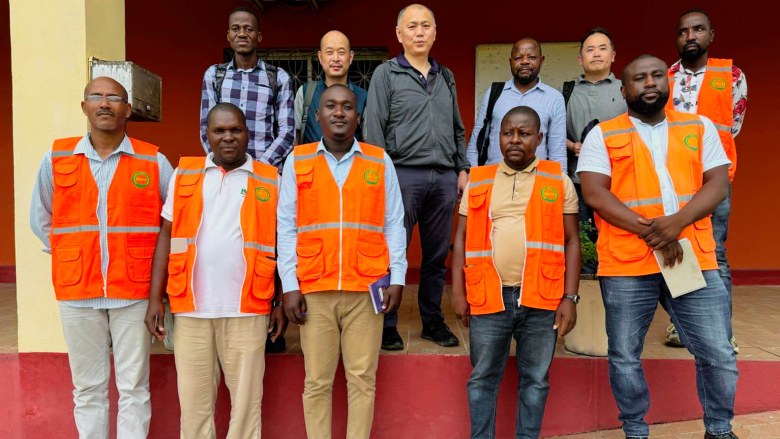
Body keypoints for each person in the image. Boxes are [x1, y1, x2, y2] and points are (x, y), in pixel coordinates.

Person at [577, 55, 738, 439]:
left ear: (666, 84)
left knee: (718, 352)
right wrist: (654, 232)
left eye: (655, 75)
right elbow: (595, 193)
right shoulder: (603, 134)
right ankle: (635, 430)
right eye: (638, 78)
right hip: (629, 262)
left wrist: (677, 225)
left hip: (689, 257)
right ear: (624, 89)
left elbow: (717, 183)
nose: (649, 82)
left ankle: (718, 429)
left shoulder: (699, 127)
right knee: (625, 356)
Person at [30, 76, 173, 438]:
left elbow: (173, 222)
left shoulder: (153, 161)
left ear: (129, 109)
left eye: (114, 98)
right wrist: (74, 254)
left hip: (133, 291)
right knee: (89, 388)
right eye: (96, 96)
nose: (105, 104)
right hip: (78, 294)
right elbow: (42, 219)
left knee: (133, 387)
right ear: (84, 107)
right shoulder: (57, 157)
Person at [145, 103, 286, 438]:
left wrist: (278, 302)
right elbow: (166, 234)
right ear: (206, 134)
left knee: (247, 407)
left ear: (247, 134)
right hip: (191, 309)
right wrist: (155, 300)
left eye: (235, 130)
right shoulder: (185, 174)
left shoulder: (270, 179)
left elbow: (280, 243)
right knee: (194, 408)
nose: (227, 138)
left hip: (248, 309)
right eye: (219, 131)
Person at [279, 84, 407, 439]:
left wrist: (397, 276)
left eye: (347, 107)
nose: (339, 113)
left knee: (362, 379)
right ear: (316, 116)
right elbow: (286, 227)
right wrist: (289, 285)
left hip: (366, 289)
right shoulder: (298, 159)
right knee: (317, 381)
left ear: (358, 116)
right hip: (315, 288)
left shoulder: (378, 160)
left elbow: (394, 223)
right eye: (331, 106)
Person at [452, 106, 580, 439]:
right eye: (508, 132)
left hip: (541, 298)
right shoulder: (479, 179)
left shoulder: (557, 179)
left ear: (538, 138)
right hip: (488, 297)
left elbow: (571, 241)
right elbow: (461, 239)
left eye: (524, 133)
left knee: (535, 381)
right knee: (482, 379)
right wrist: (457, 291)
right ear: (499, 136)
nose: (515, 139)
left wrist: (569, 297)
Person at [364, 3, 468, 350]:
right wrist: (382, 176)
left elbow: (457, 126)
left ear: (435, 32)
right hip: (400, 175)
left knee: (436, 256)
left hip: (443, 177)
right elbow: (373, 128)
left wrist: (463, 168)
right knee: (392, 252)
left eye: (426, 26)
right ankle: (385, 323)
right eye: (412, 27)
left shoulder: (446, 76)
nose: (419, 32)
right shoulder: (385, 74)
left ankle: (432, 321)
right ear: (399, 34)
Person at [665, 8, 747, 349]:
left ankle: (721, 334)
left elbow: (735, 126)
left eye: (698, 29)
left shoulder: (731, 75)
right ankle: (681, 328)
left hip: (714, 180)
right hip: (673, 179)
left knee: (715, 253)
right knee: (679, 250)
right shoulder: (666, 75)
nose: (690, 36)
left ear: (711, 35)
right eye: (683, 31)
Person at [199, 6, 294, 170]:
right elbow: (206, 129)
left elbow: (287, 132)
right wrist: (224, 165)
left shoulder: (278, 77)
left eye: (248, 29)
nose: (242, 34)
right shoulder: (214, 75)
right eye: (236, 29)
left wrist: (259, 168)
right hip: (224, 172)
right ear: (228, 35)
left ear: (259, 36)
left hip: (265, 174)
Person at [560, 28, 626, 256]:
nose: (596, 54)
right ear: (580, 59)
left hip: (620, 183)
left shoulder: (625, 89)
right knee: (583, 247)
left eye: (602, 48)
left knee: (618, 243)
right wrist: (572, 146)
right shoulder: (566, 92)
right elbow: (552, 133)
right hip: (578, 183)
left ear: (613, 55)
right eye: (590, 49)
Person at [466, 38, 567, 170]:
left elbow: (557, 150)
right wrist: (470, 174)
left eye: (531, 57)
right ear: (510, 62)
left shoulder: (554, 98)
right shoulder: (494, 93)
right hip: (494, 179)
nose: (525, 61)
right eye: (518, 58)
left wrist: (559, 183)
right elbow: (476, 139)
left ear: (541, 61)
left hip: (536, 180)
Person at [295, 30, 368, 145]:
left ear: (351, 57)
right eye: (329, 52)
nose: (336, 58)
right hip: (311, 162)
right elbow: (295, 136)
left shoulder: (363, 97)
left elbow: (368, 142)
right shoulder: (306, 93)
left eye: (341, 52)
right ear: (320, 57)